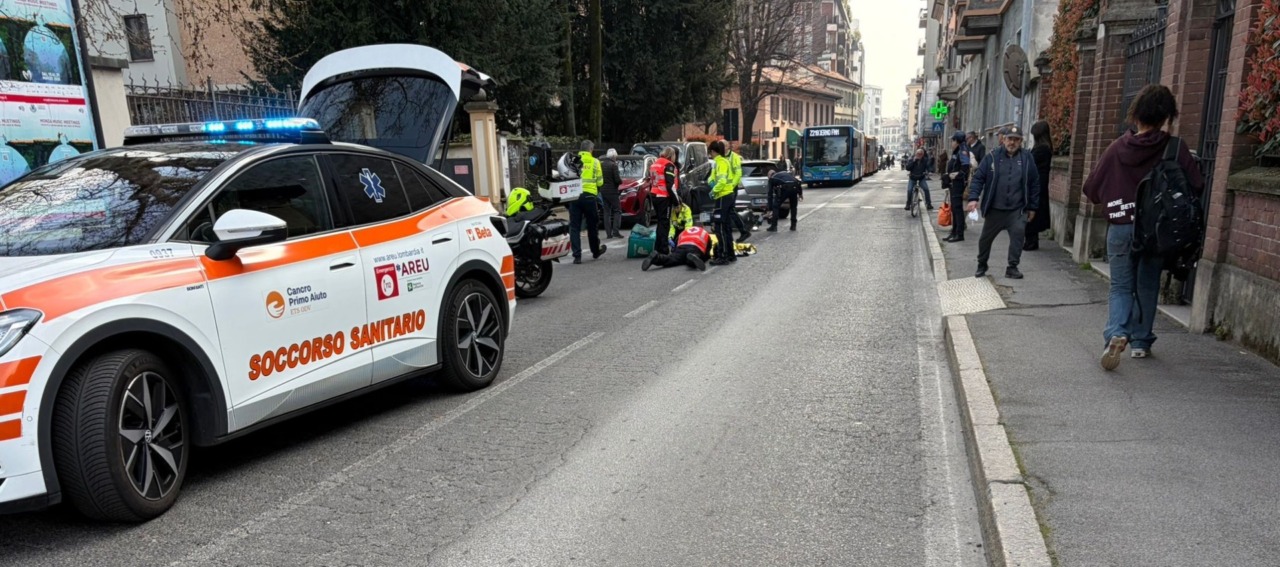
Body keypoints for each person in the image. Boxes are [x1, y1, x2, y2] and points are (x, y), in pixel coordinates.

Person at [1083, 84, 1203, 369]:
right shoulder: (1175, 148)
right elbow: (1196, 185)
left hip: (1122, 227)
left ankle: (1116, 334)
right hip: (1157, 229)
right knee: (1148, 285)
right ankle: (1140, 342)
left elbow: (1091, 188)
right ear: (1166, 117)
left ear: (1135, 114)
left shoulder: (1117, 148)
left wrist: (1116, 197)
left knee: (1121, 286)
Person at [966, 125, 1040, 280]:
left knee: (1018, 237)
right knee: (985, 239)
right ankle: (982, 264)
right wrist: (973, 198)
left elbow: (1034, 183)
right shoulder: (992, 157)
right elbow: (979, 178)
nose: (1012, 142)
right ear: (1004, 140)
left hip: (1017, 209)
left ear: (1021, 142)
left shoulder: (1027, 158)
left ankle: (1012, 267)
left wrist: (1032, 207)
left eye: (1016, 140)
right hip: (995, 209)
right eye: (1009, 139)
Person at [569, 140, 607, 264]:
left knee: (574, 226)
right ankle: (595, 251)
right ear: (590, 150)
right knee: (592, 225)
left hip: (574, 196)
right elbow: (600, 182)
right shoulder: (595, 162)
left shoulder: (573, 160)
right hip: (590, 197)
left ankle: (577, 256)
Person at [1025, 121, 1054, 251]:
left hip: (1038, 184)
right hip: (1039, 182)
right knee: (1034, 211)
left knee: (1033, 211)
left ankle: (1031, 241)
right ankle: (1031, 239)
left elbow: (1030, 164)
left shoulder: (1042, 149)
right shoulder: (1044, 148)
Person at [707, 141, 736, 265]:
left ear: (713, 151)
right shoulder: (723, 162)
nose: (710, 154)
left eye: (710, 152)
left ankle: (723, 256)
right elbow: (715, 178)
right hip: (728, 195)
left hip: (722, 196)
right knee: (727, 226)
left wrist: (713, 191)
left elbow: (722, 180)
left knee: (719, 227)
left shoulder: (720, 163)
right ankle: (730, 254)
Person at [642, 224, 714, 272]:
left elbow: (676, 244)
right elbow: (708, 250)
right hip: (694, 248)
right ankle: (692, 258)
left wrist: (674, 252)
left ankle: (657, 257)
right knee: (699, 258)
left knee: (670, 259)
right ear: (702, 227)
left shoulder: (685, 231)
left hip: (682, 247)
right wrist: (707, 257)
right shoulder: (704, 232)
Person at [649, 146, 680, 255]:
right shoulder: (668, 165)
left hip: (654, 194)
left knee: (660, 222)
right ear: (671, 155)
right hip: (663, 197)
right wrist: (677, 202)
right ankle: (663, 248)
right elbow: (670, 185)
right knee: (664, 223)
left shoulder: (655, 163)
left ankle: (658, 247)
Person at [944, 132, 971, 242]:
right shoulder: (958, 150)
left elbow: (965, 166)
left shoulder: (962, 150)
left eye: (953, 140)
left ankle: (959, 234)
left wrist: (958, 175)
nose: (951, 143)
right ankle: (954, 232)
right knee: (954, 209)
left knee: (957, 209)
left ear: (957, 141)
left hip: (958, 183)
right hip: (953, 182)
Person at [767, 160, 803, 232]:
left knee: (776, 206)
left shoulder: (772, 178)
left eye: (768, 177)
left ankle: (774, 226)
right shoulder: (785, 174)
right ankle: (793, 226)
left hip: (785, 188)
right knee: (793, 207)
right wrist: (800, 194)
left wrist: (770, 208)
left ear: (769, 175)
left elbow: (770, 194)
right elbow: (797, 182)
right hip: (795, 187)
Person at [726, 143, 751, 241]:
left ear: (727, 147)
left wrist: (732, 186)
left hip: (731, 188)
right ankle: (740, 232)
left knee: (730, 210)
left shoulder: (734, 157)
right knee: (729, 211)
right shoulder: (722, 157)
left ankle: (743, 231)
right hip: (725, 188)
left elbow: (738, 173)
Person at [599, 148, 624, 239]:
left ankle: (608, 234)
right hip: (612, 191)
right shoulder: (613, 165)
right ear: (613, 156)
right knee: (617, 210)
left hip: (603, 191)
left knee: (607, 212)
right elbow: (617, 179)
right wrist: (620, 182)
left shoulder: (601, 165)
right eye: (616, 156)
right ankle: (616, 231)